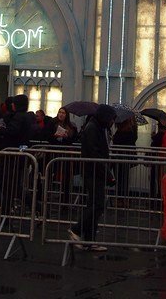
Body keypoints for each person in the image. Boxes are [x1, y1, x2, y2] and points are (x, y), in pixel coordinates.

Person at [69, 104, 116, 251]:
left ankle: (89, 241)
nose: (112, 122)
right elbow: (95, 153)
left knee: (94, 204)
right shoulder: (93, 129)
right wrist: (107, 173)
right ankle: (77, 229)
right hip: (94, 171)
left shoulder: (96, 127)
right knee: (97, 204)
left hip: (95, 171)